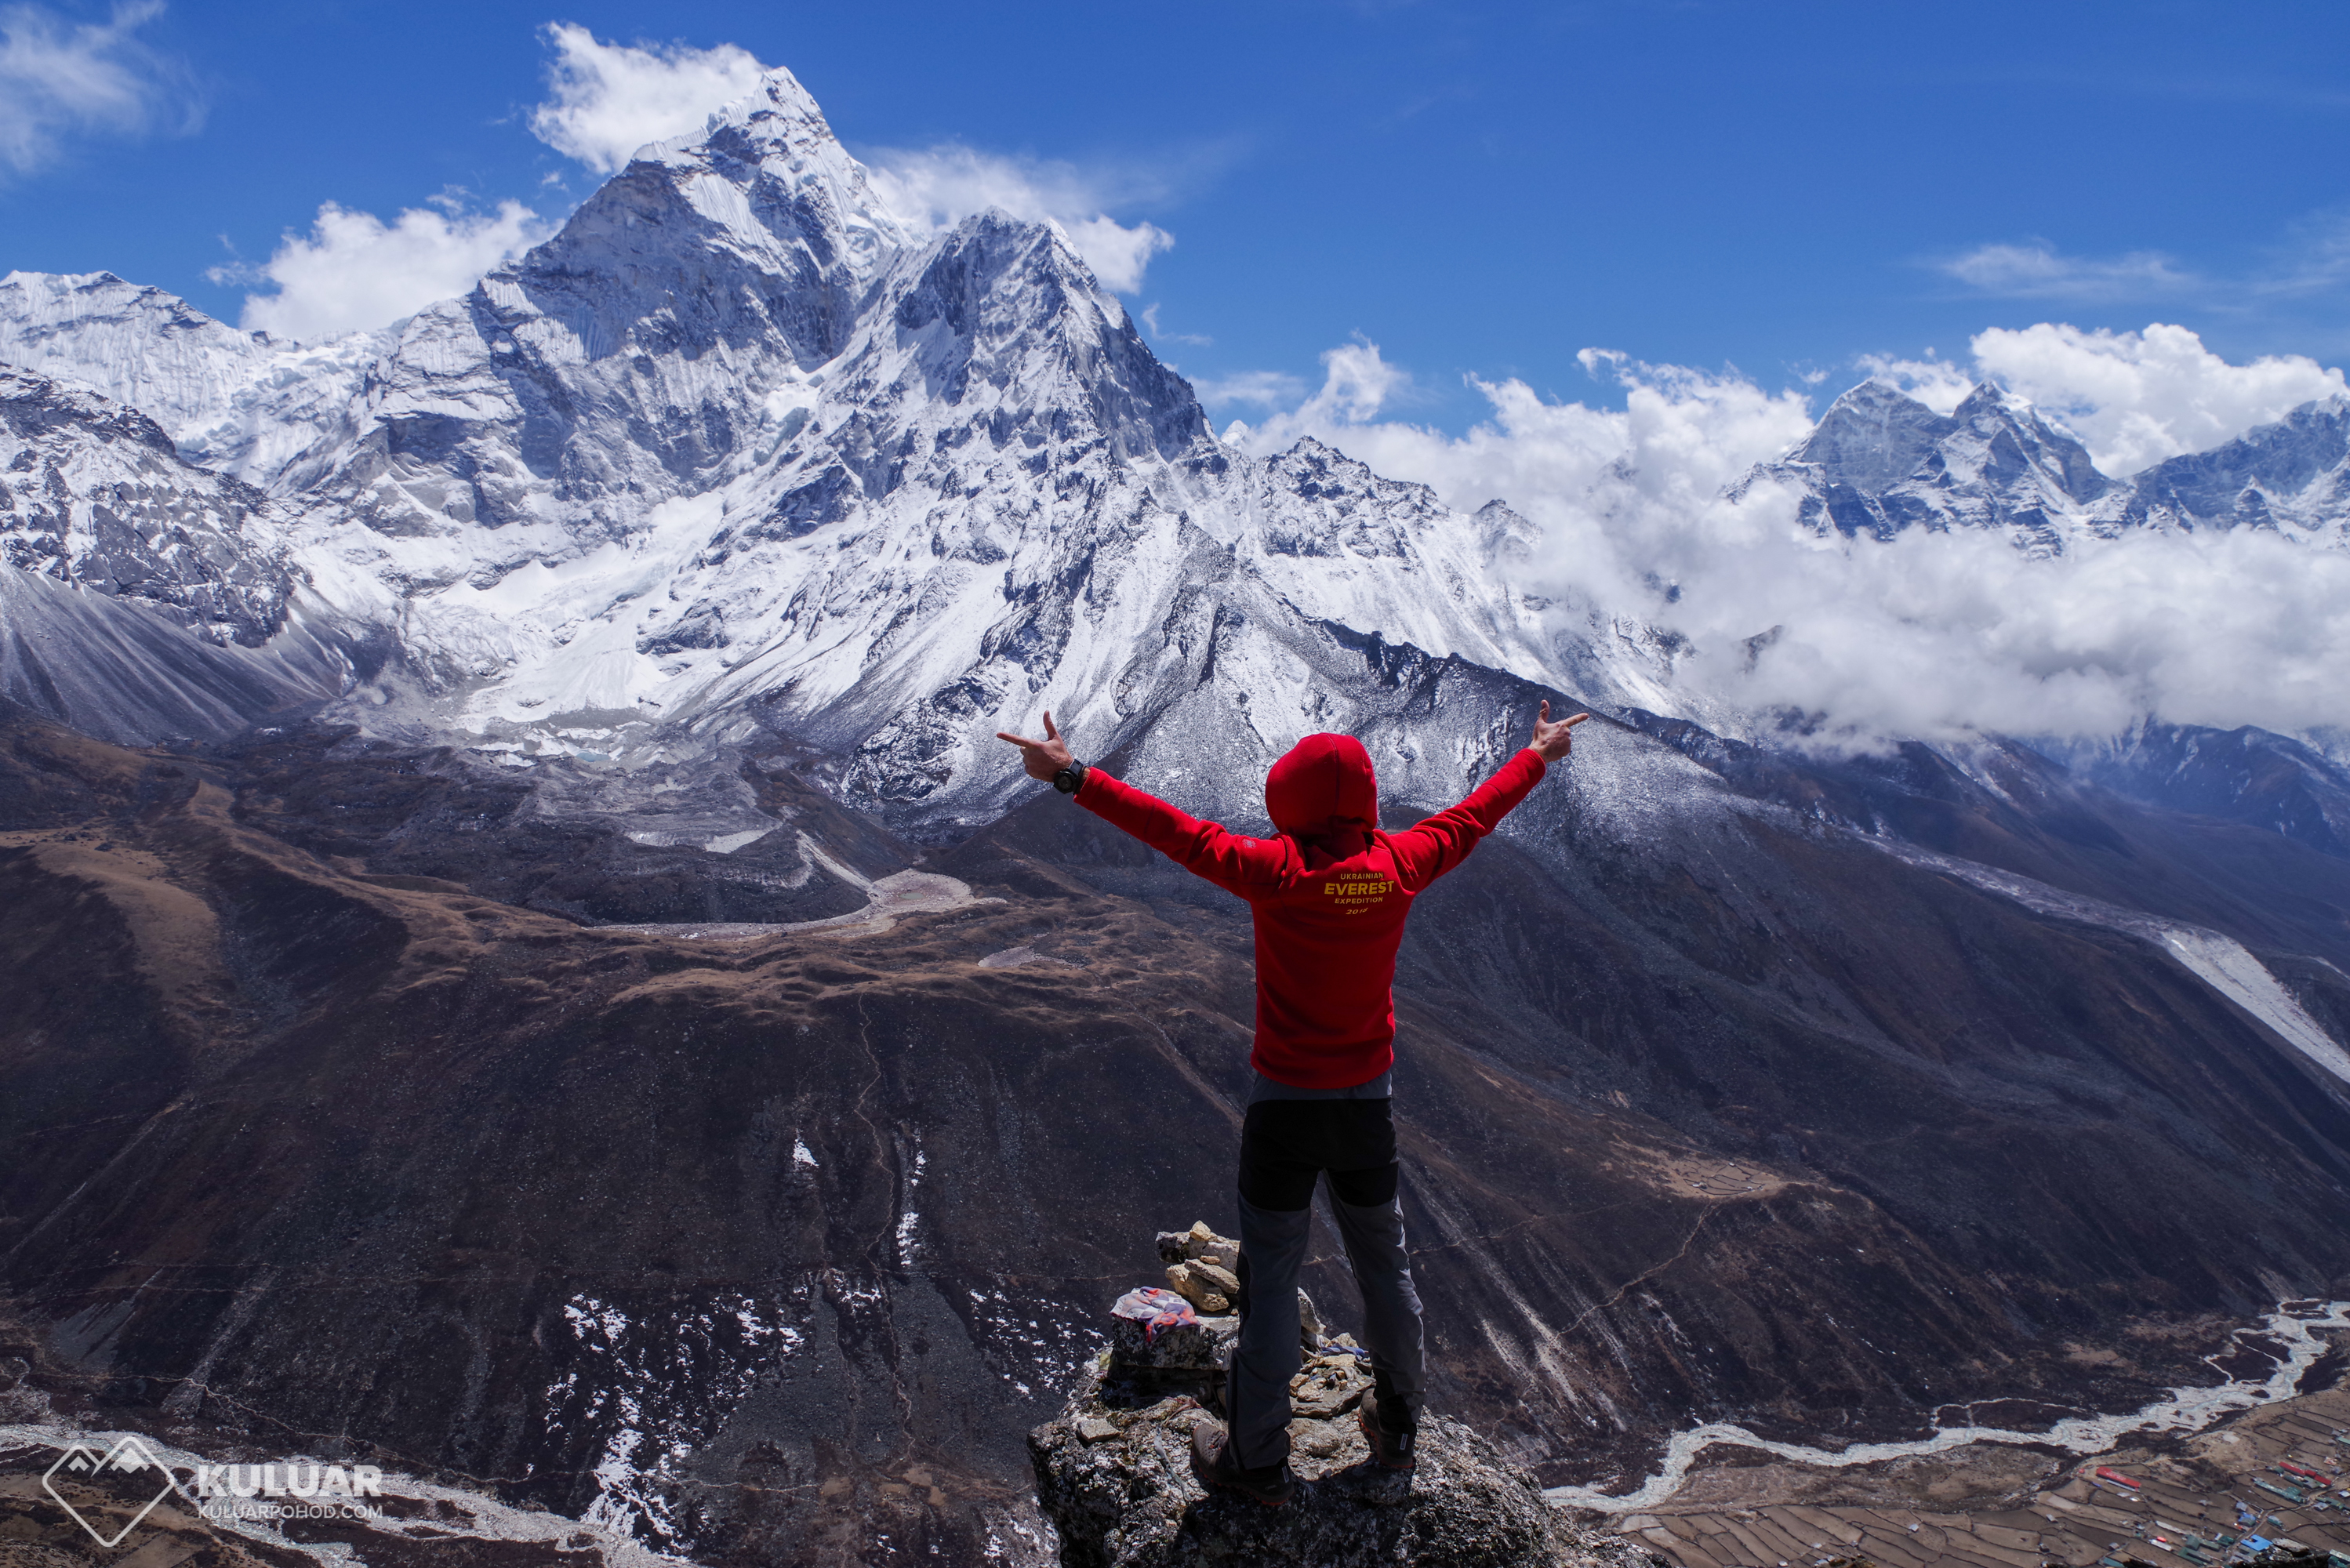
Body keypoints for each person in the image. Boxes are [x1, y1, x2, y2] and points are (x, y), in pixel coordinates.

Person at [995, 701, 1593, 1507]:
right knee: (1386, 1266)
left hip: (1283, 1106)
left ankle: (1255, 1458)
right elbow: (1472, 814)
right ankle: (1398, 1433)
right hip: (1366, 1109)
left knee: (1270, 1276)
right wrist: (1537, 755)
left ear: (1291, 804)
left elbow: (1172, 829)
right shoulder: (1405, 862)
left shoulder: (1273, 870)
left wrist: (1071, 773)